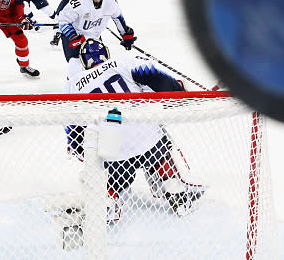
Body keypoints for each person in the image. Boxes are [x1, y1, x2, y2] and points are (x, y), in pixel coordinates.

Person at [64, 38, 206, 221]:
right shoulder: (123, 62)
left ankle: (108, 203)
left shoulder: (73, 85)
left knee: (114, 177)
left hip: (113, 149)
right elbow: (155, 77)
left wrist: (81, 150)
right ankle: (176, 194)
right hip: (148, 141)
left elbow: (71, 126)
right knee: (159, 151)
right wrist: (178, 90)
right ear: (105, 55)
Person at [56, 0, 136, 76]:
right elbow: (63, 20)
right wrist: (73, 36)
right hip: (75, 34)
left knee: (99, 69)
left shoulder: (110, 0)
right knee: (75, 70)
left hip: (94, 36)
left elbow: (117, 17)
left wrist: (125, 34)